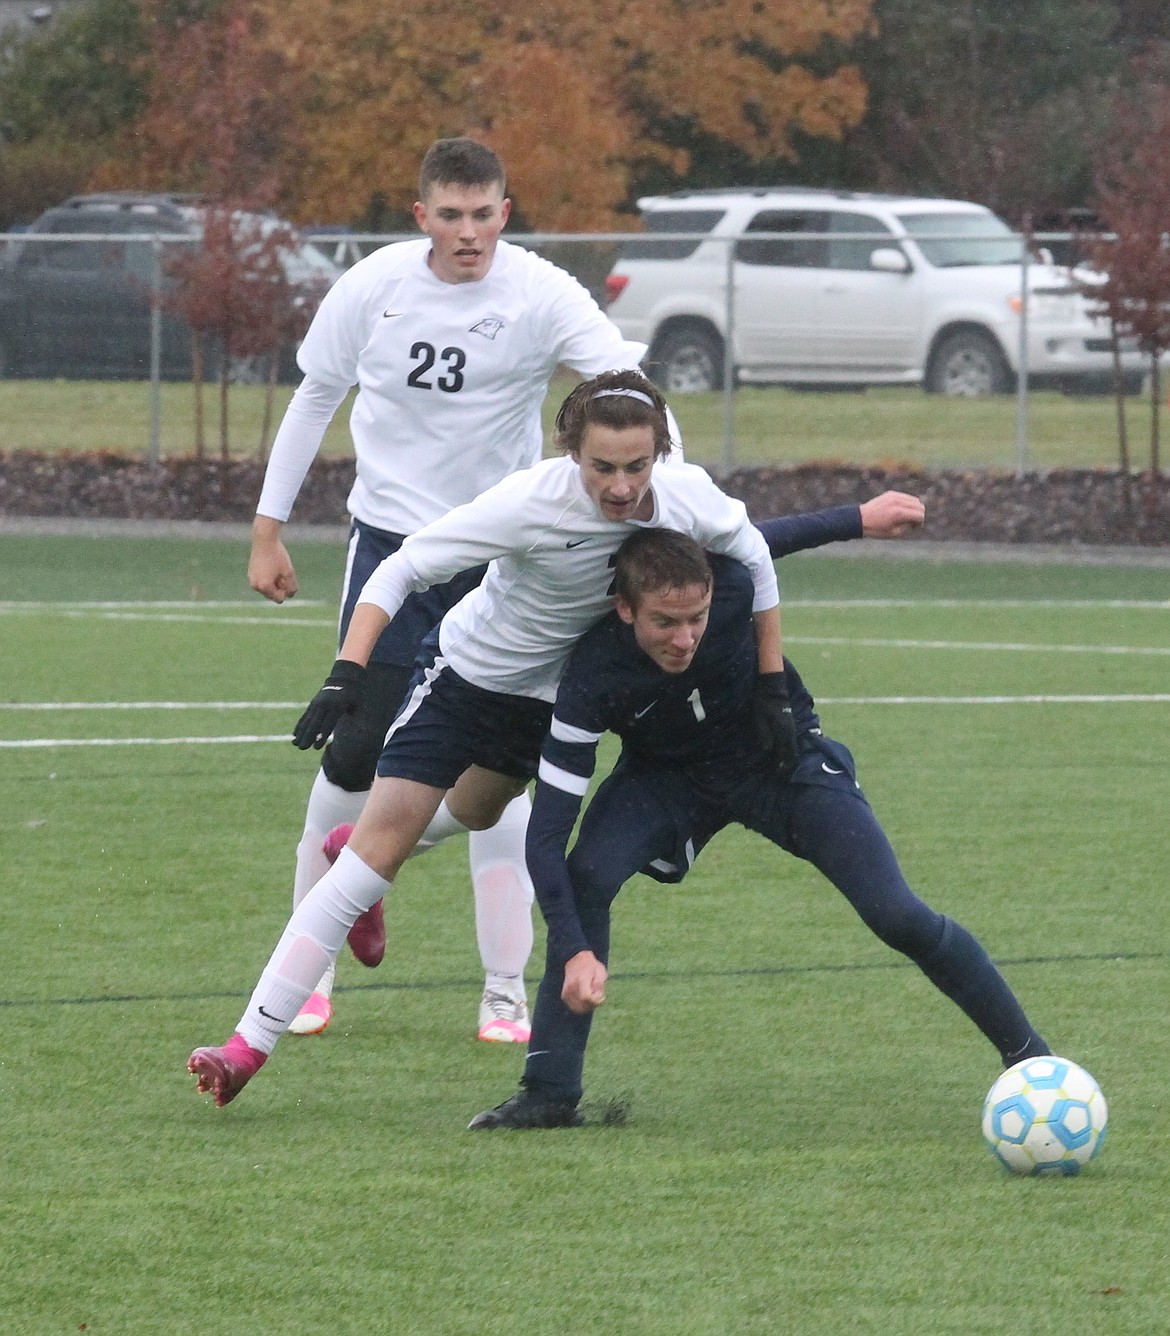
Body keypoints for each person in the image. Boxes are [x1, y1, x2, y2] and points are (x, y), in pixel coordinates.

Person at [189, 369, 788, 1107]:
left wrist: (771, 686)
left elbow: (758, 556)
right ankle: (247, 1045)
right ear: (573, 453)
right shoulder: (529, 503)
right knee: (373, 863)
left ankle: (365, 841)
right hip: (465, 679)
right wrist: (348, 669)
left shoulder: (688, 496)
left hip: (548, 708)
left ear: (659, 451)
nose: (623, 486)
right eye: (603, 467)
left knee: (475, 811)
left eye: (637, 466)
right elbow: (402, 567)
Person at [247, 137, 658, 1042]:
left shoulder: (541, 291)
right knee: (355, 757)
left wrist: (669, 493)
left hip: (501, 560)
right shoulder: (373, 286)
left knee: (499, 778)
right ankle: (307, 968)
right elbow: (316, 395)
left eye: (485, 214)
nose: (469, 233)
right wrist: (269, 527)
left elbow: (626, 389)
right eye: (451, 215)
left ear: (505, 214)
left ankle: (504, 989)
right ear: (420, 215)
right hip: (394, 548)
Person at [468, 524, 1052, 1130]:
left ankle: (1032, 1058)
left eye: (696, 617)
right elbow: (545, 836)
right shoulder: (590, 674)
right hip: (668, 778)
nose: (684, 637)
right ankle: (549, 1092)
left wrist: (859, 518)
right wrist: (577, 949)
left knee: (896, 912)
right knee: (585, 876)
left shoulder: (736, 584)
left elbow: (765, 537)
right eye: (664, 623)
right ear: (623, 609)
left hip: (780, 760)